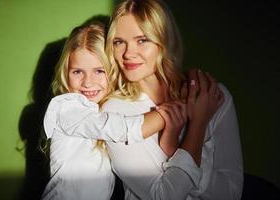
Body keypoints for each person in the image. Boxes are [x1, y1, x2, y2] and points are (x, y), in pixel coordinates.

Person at [103, 0, 244, 199]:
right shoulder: (114, 112)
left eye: (142, 40)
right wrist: (197, 125)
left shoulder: (214, 95)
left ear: (165, 40)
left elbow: (231, 194)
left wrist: (174, 151)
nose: (128, 53)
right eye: (119, 42)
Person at [41, 17, 187, 200]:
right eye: (77, 72)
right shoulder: (66, 108)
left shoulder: (107, 108)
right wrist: (177, 109)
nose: (87, 82)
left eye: (99, 71)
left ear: (113, 71)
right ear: (66, 72)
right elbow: (119, 129)